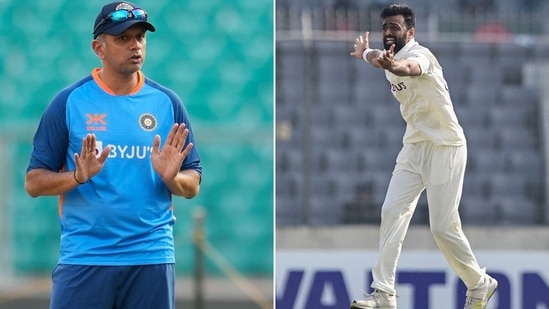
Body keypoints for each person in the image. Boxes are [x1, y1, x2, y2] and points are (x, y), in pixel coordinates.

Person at [24, 2, 202, 308]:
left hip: (151, 257)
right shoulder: (69, 102)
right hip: (86, 257)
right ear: (99, 48)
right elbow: (34, 183)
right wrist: (78, 176)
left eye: (140, 37)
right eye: (123, 38)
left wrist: (173, 177)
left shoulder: (167, 103)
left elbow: (193, 184)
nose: (135, 45)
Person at [349, 4, 497, 309]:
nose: (389, 32)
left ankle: (479, 283)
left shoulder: (421, 56)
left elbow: (407, 69)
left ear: (411, 32)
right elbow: (380, 59)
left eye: (395, 28)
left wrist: (389, 64)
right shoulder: (387, 54)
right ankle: (384, 293)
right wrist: (366, 53)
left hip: (445, 146)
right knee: (391, 210)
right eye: (385, 27)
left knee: (442, 228)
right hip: (414, 146)